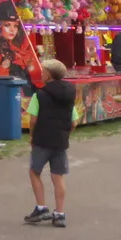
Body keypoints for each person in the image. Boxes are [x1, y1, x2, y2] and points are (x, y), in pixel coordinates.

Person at [24, 59, 79, 228]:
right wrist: (65, 134)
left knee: (35, 172)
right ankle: (59, 213)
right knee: (58, 176)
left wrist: (32, 137)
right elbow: (74, 121)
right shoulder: (70, 93)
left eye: (43, 70)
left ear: (49, 74)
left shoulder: (39, 95)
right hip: (60, 141)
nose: (41, 72)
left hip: (42, 139)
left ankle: (41, 207)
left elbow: (33, 120)